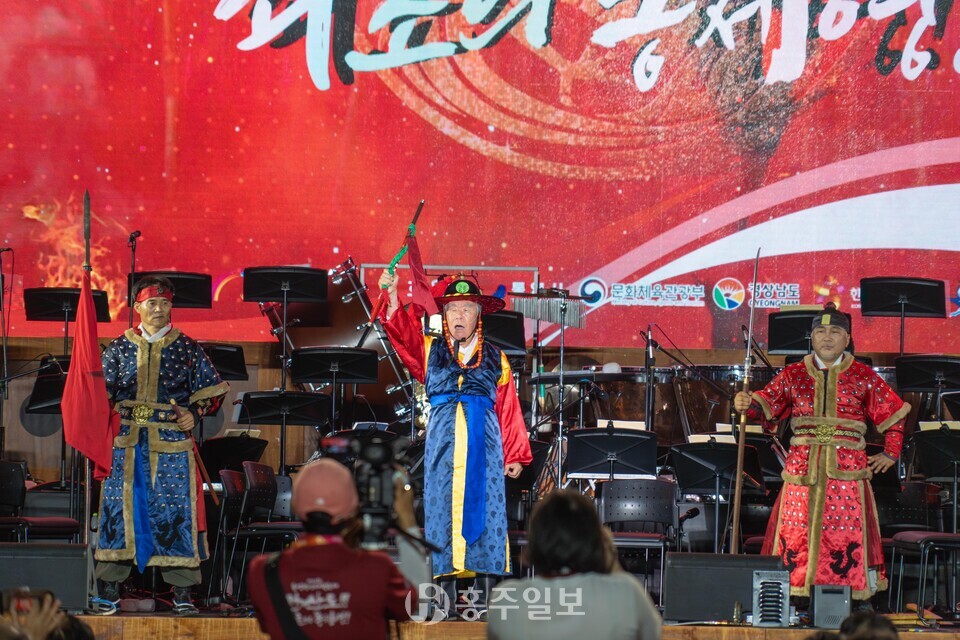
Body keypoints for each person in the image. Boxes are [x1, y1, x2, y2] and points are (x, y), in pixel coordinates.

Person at [378, 272, 532, 616]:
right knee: (440, 514)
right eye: (452, 310)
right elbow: (400, 333)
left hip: (485, 447)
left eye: (466, 309)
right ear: (444, 316)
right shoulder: (429, 350)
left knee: (488, 514)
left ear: (479, 315)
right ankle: (442, 600)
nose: (459, 315)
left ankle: (485, 600)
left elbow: (508, 407)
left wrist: (515, 453)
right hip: (442, 448)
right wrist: (392, 295)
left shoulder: (495, 357)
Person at [734, 303, 910, 602]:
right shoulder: (793, 374)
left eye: (835, 332)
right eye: (820, 331)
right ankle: (794, 598)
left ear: (847, 338)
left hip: (847, 474)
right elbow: (764, 406)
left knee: (845, 536)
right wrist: (746, 404)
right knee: (796, 534)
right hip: (803, 471)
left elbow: (894, 415)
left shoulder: (863, 375)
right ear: (811, 337)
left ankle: (852, 600)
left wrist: (891, 454)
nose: (827, 337)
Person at [95, 276, 229, 614]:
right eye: (152, 303)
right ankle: (108, 591)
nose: (159, 309)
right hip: (126, 443)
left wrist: (193, 414)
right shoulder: (119, 347)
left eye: (165, 303)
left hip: (170, 443)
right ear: (137, 306)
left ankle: (183, 594)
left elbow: (211, 390)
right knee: (118, 512)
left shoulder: (187, 347)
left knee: (175, 513)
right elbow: (99, 395)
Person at [247, 458, 430, 639]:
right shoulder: (376, 567)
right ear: (352, 508)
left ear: (294, 504)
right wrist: (407, 520)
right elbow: (415, 604)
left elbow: (267, 624)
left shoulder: (263, 572)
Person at [487, 490, 662, 640]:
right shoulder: (625, 592)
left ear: (535, 540)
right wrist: (610, 558)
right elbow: (651, 634)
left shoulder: (506, 598)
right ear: (596, 539)